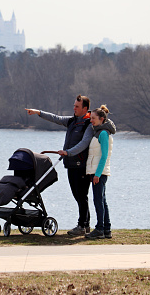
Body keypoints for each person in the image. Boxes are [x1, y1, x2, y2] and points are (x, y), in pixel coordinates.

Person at [25, 95, 94, 236]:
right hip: (71, 165)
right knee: (78, 196)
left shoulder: (89, 125)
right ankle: (85, 225)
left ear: (85, 109)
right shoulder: (72, 121)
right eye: (74, 105)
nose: (74, 108)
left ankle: (83, 225)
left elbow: (84, 144)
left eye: (77, 106)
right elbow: (55, 118)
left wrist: (68, 152)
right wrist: (38, 112)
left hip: (80, 165)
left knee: (82, 196)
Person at [84, 105, 116, 239]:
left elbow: (104, 156)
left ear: (102, 119)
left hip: (99, 173)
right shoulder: (98, 131)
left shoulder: (103, 133)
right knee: (102, 200)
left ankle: (100, 229)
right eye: (91, 118)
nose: (91, 120)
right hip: (97, 172)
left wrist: (97, 174)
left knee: (98, 201)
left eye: (94, 118)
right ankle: (106, 229)